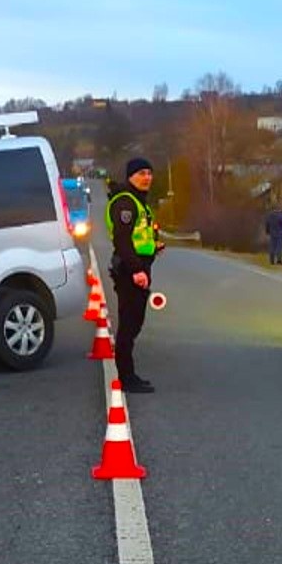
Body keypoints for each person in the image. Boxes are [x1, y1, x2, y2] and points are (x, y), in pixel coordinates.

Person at [106, 157, 165, 394]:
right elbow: (122, 240)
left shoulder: (139, 202)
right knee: (129, 324)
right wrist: (137, 270)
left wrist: (153, 247)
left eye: (149, 173)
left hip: (139, 265)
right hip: (130, 270)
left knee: (135, 321)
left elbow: (139, 237)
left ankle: (127, 373)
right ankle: (126, 377)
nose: (147, 177)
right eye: (141, 173)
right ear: (130, 176)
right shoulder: (126, 203)